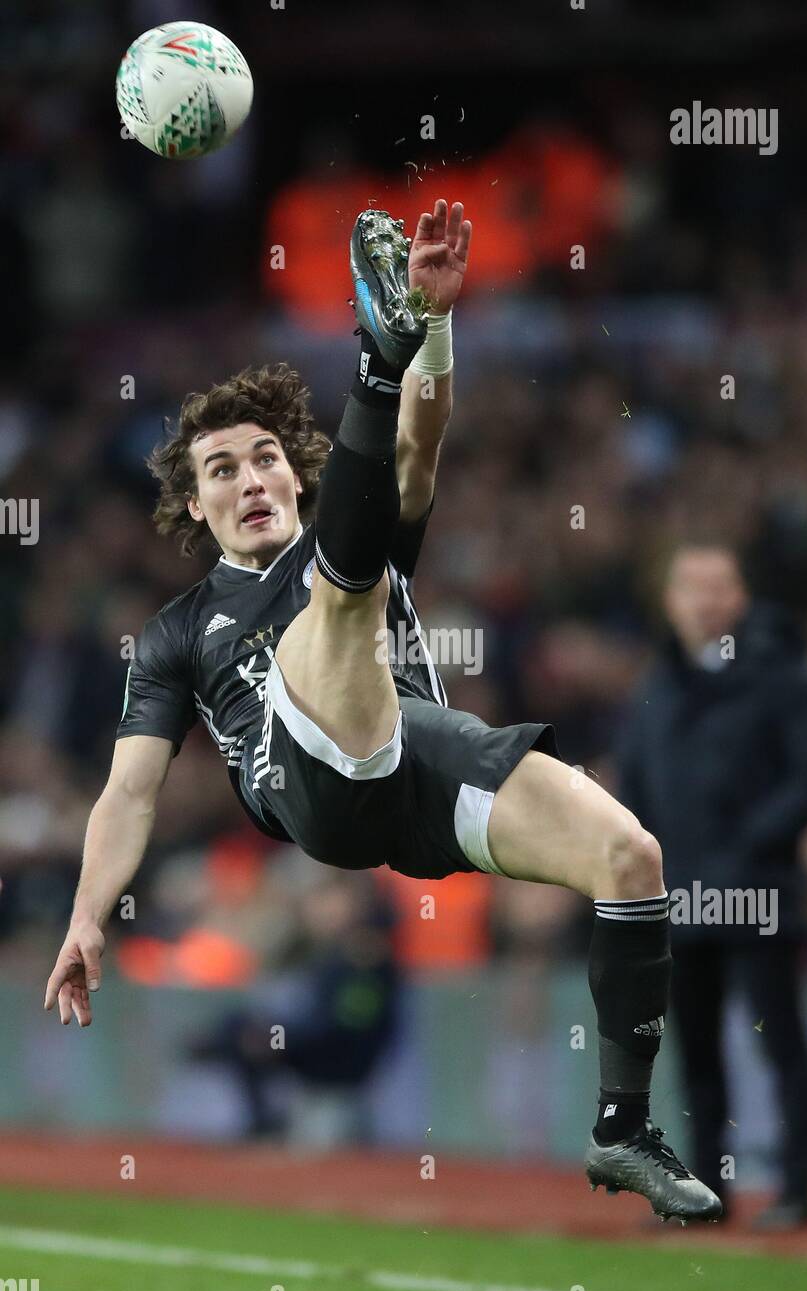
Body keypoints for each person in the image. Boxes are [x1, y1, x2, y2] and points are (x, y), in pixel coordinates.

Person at [44, 200, 721, 1224]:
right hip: (304, 785)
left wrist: (439, 324)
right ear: (195, 504)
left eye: (265, 457)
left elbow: (422, 438)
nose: (250, 478)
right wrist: (90, 912)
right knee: (343, 592)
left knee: (630, 856)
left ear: (295, 469)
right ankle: (376, 351)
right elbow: (129, 791)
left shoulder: (356, 517)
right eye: (220, 470)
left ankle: (622, 1127)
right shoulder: (181, 631)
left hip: (415, 764)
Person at [617, 543, 807, 1228]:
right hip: (680, 900)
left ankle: (799, 1190)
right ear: (671, 601)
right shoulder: (655, 686)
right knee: (697, 1054)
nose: (707, 601)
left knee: (782, 1044)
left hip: (758, 894)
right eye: (693, 588)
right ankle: (706, 1189)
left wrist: (747, 845)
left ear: (741, 597)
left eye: (720, 587)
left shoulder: (781, 674)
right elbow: (633, 789)